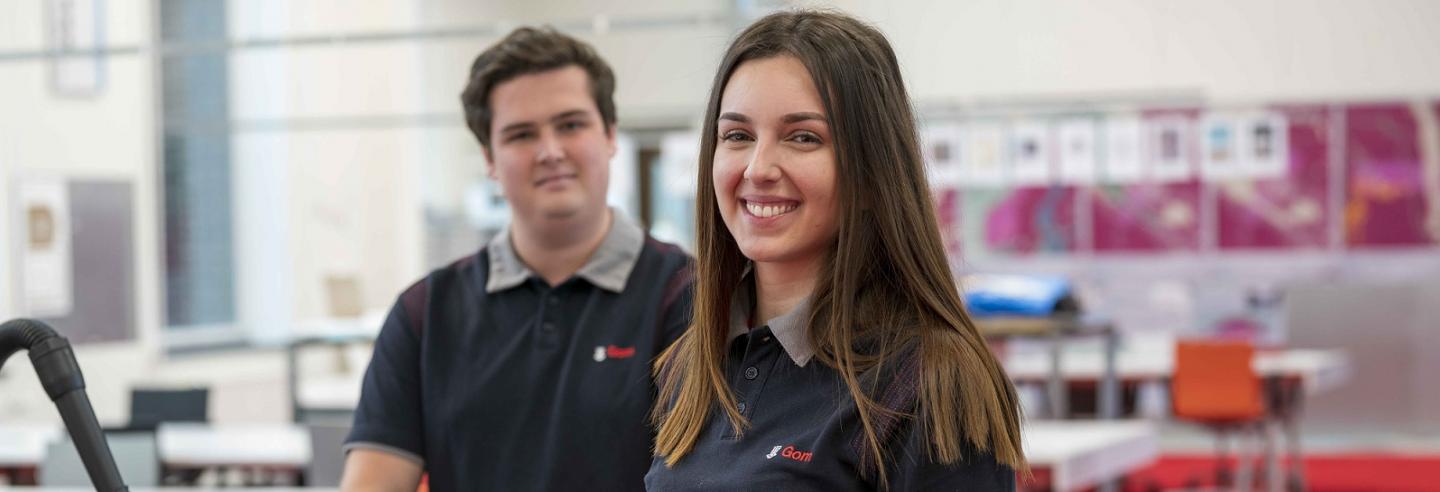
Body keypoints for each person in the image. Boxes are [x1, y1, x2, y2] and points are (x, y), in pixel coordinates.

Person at [646, 10, 1024, 491]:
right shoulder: (689, 366)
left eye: (803, 137)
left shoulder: (931, 381)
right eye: (737, 135)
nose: (758, 168)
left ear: (870, 165)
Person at [340, 26, 693, 491]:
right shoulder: (424, 316)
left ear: (609, 134)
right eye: (521, 134)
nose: (550, 152)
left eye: (570, 124)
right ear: (489, 158)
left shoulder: (688, 299)